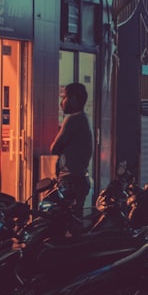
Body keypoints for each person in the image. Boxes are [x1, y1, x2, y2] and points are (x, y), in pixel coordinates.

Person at [51, 82, 94, 219]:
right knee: (76, 221)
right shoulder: (84, 118)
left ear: (74, 99)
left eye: (64, 98)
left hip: (70, 180)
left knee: (61, 220)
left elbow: (54, 148)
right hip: (80, 178)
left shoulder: (73, 120)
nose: (61, 103)